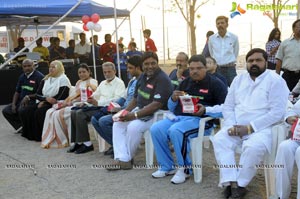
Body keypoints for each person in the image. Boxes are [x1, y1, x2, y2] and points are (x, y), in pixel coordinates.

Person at [212, 48, 289, 199]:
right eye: (250, 61)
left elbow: (277, 112)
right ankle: (229, 181)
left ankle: (240, 186)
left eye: (258, 60)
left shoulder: (276, 80)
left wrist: (249, 128)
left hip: (263, 129)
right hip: (237, 126)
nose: (254, 63)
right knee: (220, 139)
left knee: (252, 147)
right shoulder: (238, 80)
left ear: (266, 62)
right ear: (246, 63)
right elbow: (228, 106)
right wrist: (231, 125)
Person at [150, 54, 227, 184]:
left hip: (202, 122)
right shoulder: (185, 82)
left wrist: (206, 109)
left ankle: (185, 169)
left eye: (198, 68)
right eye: (191, 68)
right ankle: (167, 166)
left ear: (205, 68)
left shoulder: (216, 84)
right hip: (180, 117)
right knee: (156, 128)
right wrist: (173, 99)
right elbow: (171, 107)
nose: (194, 71)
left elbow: (226, 108)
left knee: (176, 131)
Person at [107, 52, 172, 170]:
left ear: (157, 63)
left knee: (133, 127)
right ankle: (123, 158)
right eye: (146, 64)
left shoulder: (163, 79)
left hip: (158, 115)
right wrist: (124, 112)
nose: (150, 66)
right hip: (141, 110)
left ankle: (127, 159)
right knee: (117, 123)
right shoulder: (142, 76)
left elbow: (156, 105)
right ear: (142, 65)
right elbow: (136, 99)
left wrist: (134, 115)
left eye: (153, 63)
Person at [67, 62, 125, 154]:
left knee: (80, 114)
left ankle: (88, 144)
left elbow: (117, 100)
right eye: (104, 72)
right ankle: (79, 142)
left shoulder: (119, 83)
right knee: (74, 112)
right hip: (98, 107)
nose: (106, 74)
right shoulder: (103, 83)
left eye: (109, 72)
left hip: (108, 109)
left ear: (115, 71)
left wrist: (98, 102)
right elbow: (95, 95)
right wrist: (86, 102)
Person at [91, 55, 143, 157]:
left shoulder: (142, 81)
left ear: (138, 67)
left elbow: (138, 101)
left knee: (104, 121)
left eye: (130, 68)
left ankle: (121, 147)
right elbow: (123, 97)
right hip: (122, 108)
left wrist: (121, 109)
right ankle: (115, 145)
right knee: (94, 119)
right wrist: (113, 106)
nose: (127, 70)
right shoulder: (132, 80)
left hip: (132, 111)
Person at [41, 64, 98, 148]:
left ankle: (69, 140)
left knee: (60, 113)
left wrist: (71, 102)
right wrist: (66, 102)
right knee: (50, 112)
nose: (81, 74)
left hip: (84, 104)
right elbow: (72, 95)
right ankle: (56, 138)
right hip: (73, 103)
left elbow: (87, 96)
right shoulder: (79, 82)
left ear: (89, 72)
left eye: (84, 72)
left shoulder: (92, 82)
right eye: (80, 72)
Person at [19, 60, 71, 141]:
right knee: (27, 110)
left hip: (58, 103)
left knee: (39, 112)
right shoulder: (46, 78)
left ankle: (40, 136)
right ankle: (30, 134)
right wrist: (44, 99)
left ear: (59, 68)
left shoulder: (63, 79)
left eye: (54, 67)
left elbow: (60, 96)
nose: (51, 69)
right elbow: (37, 94)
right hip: (45, 100)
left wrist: (45, 102)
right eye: (50, 67)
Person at [2, 59, 44, 133]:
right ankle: (20, 126)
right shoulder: (22, 76)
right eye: (25, 66)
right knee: (6, 111)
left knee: (21, 110)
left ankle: (27, 127)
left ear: (33, 66)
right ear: (22, 67)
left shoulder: (39, 77)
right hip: (21, 101)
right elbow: (17, 92)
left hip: (33, 101)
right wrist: (14, 104)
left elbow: (40, 94)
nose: (27, 68)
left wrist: (28, 97)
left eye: (29, 66)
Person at [275, 99, 300, 199]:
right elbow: (292, 111)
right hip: (298, 138)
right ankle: (282, 195)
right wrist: (289, 118)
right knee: (284, 147)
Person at [208, 15, 239, 86]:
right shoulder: (211, 39)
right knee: (218, 89)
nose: (220, 25)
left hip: (230, 69)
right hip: (218, 69)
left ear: (227, 24)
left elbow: (235, 53)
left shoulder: (234, 37)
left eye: (222, 23)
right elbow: (211, 54)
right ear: (216, 25)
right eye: (218, 23)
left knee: (234, 88)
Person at [276, 19, 300, 91]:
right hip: (287, 76)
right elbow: (279, 60)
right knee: (285, 97)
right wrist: (277, 77)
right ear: (293, 29)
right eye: (299, 26)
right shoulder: (285, 43)